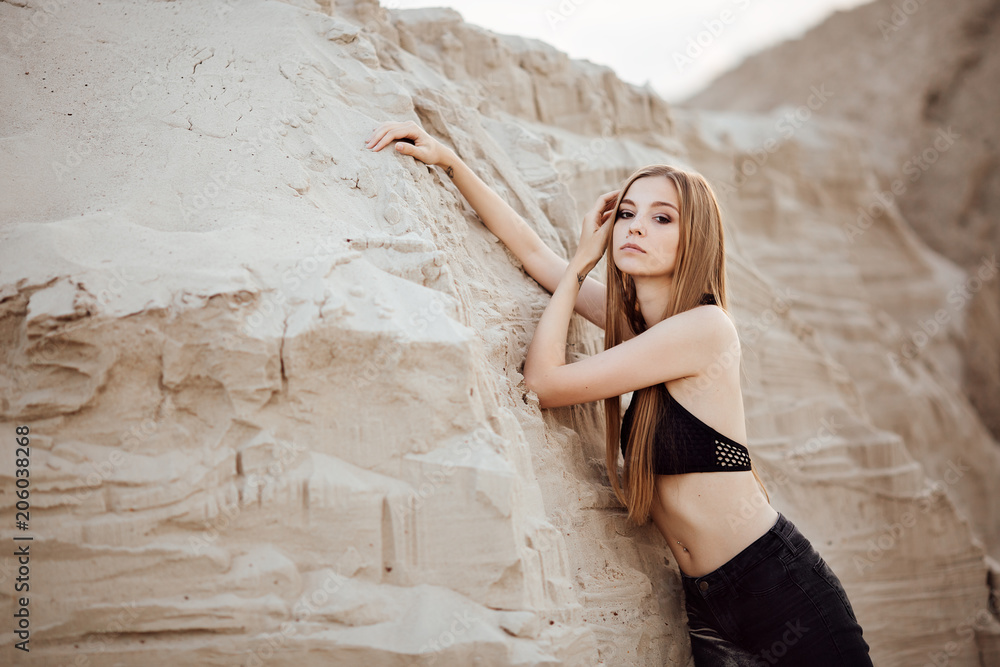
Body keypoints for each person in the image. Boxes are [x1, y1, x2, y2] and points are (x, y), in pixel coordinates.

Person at [364, 120, 874, 666]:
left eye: (661, 218)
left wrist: (583, 263)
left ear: (694, 237)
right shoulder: (646, 332)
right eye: (626, 214)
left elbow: (542, 383)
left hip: (780, 592)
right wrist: (452, 163)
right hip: (707, 603)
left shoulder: (704, 330)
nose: (635, 228)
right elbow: (537, 257)